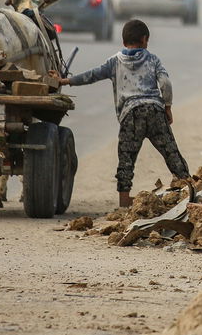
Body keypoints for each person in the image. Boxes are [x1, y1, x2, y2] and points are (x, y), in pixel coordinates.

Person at [50, 18, 189, 208]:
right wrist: (168, 107)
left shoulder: (114, 62)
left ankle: (125, 199)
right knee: (171, 153)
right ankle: (188, 188)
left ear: (123, 42)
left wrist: (65, 81)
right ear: (145, 39)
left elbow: (91, 75)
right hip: (155, 111)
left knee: (126, 159)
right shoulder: (153, 59)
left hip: (130, 115)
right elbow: (165, 84)